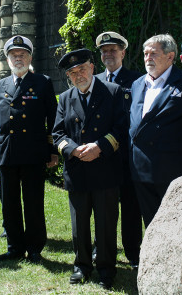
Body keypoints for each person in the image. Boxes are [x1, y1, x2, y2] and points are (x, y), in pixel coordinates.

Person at [53, 49, 126, 290]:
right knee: (79, 225)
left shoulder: (113, 92)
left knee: (106, 224)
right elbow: (57, 133)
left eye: (82, 69)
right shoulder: (65, 98)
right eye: (72, 73)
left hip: (105, 169)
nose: (78, 75)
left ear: (92, 67)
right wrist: (72, 150)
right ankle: (81, 266)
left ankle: (106, 269)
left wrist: (99, 147)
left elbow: (121, 128)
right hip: (78, 170)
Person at [129, 34, 182, 229]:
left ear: (170, 56)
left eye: (154, 53)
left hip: (175, 173)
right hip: (141, 173)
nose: (148, 58)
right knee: (151, 227)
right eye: (145, 53)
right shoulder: (137, 85)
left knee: (177, 228)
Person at [0, 35, 58, 263]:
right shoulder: (1, 85)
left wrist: (53, 150)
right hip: (7, 152)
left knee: (33, 202)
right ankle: (14, 247)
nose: (17, 59)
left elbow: (53, 118)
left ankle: (35, 248)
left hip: (33, 152)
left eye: (22, 55)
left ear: (30, 58)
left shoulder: (42, 82)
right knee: (8, 203)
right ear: (7, 59)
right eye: (13, 55)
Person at [93, 31, 142, 270]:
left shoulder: (137, 80)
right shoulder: (95, 80)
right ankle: (100, 247)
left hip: (128, 154)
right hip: (102, 154)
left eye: (113, 50)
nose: (108, 54)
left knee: (131, 206)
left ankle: (133, 252)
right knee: (101, 205)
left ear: (123, 52)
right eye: (104, 51)